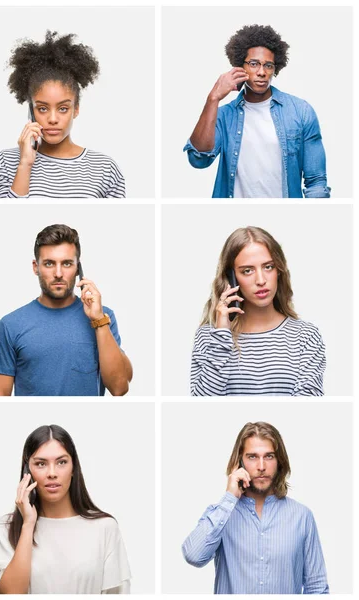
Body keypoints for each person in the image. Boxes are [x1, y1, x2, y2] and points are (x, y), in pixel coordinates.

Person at [183, 24, 330, 198]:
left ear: (275, 68)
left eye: (268, 65)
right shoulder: (224, 116)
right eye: (254, 64)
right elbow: (199, 160)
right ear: (240, 66)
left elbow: (316, 181)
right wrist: (213, 98)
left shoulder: (300, 111)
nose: (261, 72)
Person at [182, 421, 329, 594]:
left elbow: (317, 587)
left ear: (279, 461)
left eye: (269, 456)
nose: (261, 466)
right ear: (240, 463)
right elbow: (194, 556)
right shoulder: (221, 515)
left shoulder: (302, 516)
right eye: (252, 457)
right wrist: (229, 497)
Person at [0, 224, 132, 396]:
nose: (58, 273)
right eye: (49, 263)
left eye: (67, 264)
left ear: (78, 268)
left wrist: (99, 321)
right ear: (35, 267)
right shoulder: (11, 325)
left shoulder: (103, 318)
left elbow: (119, 388)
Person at [0, 424, 131, 593]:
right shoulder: (7, 527)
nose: (52, 473)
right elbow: (10, 595)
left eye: (61, 462)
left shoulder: (105, 527)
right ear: (28, 471)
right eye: (41, 464)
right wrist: (28, 524)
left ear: (73, 468)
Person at [190, 226, 325, 396]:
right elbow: (204, 402)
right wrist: (222, 334)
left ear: (279, 271)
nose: (261, 280)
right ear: (231, 277)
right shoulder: (209, 336)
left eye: (268, 267)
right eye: (247, 271)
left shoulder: (305, 336)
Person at [0, 31, 126, 198]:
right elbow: (7, 216)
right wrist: (25, 164)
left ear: (76, 109)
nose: (52, 119)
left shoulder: (105, 168)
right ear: (31, 111)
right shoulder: (5, 162)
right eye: (42, 108)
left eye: (62, 108)